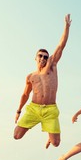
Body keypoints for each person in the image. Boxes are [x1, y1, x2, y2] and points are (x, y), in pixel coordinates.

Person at [14, 14, 71, 149]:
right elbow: (25, 95)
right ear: (35, 58)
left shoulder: (52, 66)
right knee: (16, 136)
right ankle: (36, 123)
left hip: (50, 110)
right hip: (33, 108)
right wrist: (18, 111)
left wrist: (67, 27)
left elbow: (61, 45)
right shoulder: (30, 76)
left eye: (45, 56)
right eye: (40, 56)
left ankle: (49, 134)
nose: (43, 58)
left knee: (56, 143)